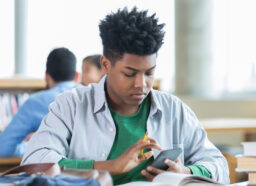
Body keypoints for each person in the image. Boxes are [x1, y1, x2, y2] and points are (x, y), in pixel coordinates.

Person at [21, 7, 229, 185]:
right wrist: (108, 167)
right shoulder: (71, 105)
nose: (142, 84)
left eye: (149, 73)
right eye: (129, 74)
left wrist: (187, 172)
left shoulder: (174, 110)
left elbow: (218, 165)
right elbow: (34, 162)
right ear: (105, 65)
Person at [0, 47, 79, 157]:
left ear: (46, 76)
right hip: (92, 170)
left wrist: (33, 145)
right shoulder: (91, 96)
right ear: (77, 76)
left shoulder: (35, 102)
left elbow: (4, 148)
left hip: (53, 170)